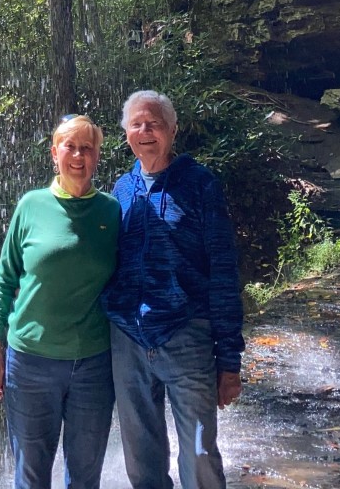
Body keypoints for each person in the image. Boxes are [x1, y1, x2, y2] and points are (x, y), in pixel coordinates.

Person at [104, 90, 244, 489]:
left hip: (187, 334)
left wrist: (229, 359)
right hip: (128, 339)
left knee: (199, 452)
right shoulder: (121, 190)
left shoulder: (200, 185)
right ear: (126, 133)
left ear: (172, 130)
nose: (145, 131)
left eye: (155, 124)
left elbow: (222, 271)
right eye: (137, 124)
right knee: (141, 457)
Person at [0, 114, 120, 489]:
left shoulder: (112, 211)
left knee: (85, 476)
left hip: (93, 364)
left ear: (96, 157)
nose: (78, 155)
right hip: (29, 363)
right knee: (31, 475)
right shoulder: (31, 206)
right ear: (54, 154)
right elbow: (5, 278)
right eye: (70, 147)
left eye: (87, 148)